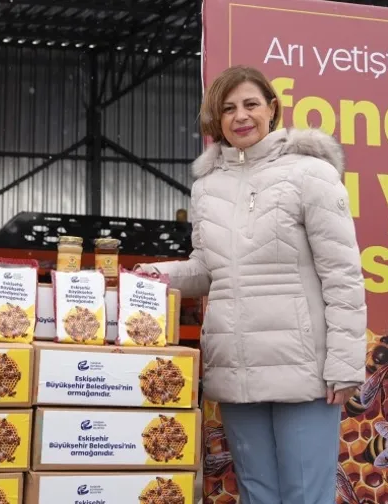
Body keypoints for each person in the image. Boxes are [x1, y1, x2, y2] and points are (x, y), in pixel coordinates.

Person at [139, 65, 366, 503]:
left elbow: (342, 275)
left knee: (305, 494)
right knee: (257, 494)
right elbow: (207, 269)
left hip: (304, 369)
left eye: (250, 104)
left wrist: (344, 363)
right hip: (236, 366)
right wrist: (153, 276)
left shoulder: (310, 174)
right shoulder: (207, 188)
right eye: (228, 109)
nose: (240, 116)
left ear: (272, 109)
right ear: (216, 120)